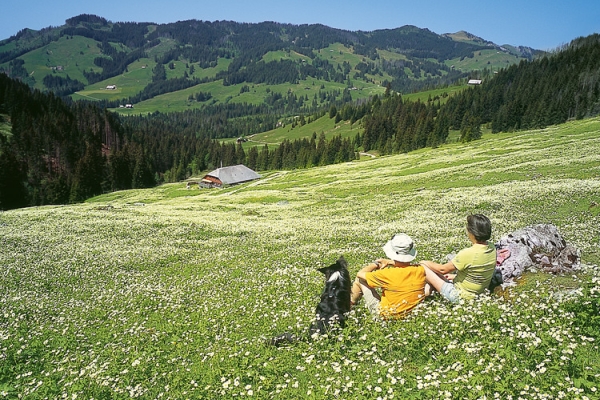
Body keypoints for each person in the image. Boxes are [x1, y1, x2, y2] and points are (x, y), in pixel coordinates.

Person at [420, 214, 497, 303]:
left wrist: (425, 262)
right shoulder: (492, 247)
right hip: (480, 293)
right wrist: (455, 277)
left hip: (459, 296)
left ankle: (423, 293)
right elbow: (478, 271)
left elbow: (442, 270)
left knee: (423, 267)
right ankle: (427, 291)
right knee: (437, 275)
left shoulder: (468, 253)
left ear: (472, 232)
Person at [350, 233, 426, 319]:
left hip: (387, 316)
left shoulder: (386, 274)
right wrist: (389, 262)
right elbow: (405, 265)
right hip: (414, 314)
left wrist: (376, 264)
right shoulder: (420, 270)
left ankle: (350, 305)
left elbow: (360, 274)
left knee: (360, 280)